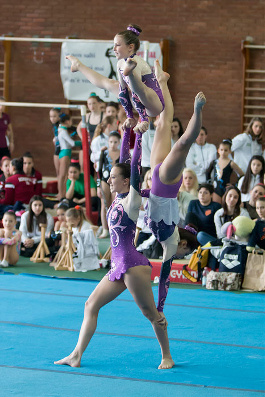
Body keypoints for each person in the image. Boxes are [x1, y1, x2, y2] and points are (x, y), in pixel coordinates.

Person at [54, 124, 174, 369]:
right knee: (90, 305)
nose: (109, 179)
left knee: (150, 314)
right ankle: (76, 355)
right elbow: (124, 160)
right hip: (118, 265)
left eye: (114, 177)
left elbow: (134, 166)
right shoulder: (118, 199)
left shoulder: (131, 200)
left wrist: (139, 135)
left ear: (126, 180)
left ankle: (166, 356)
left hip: (132, 265)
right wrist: (127, 132)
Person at [139, 61, 206, 313]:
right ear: (183, 245)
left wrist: (139, 192)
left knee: (163, 122)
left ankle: (163, 81)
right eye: (180, 254)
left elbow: (150, 201)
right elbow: (164, 278)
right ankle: (197, 111)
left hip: (155, 182)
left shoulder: (170, 239)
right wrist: (160, 307)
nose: (175, 256)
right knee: (183, 144)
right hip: (166, 183)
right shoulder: (170, 241)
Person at [115, 24, 164, 134]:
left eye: (117, 45)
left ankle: (130, 73)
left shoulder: (138, 61)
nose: (114, 49)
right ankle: (130, 73)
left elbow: (137, 92)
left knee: (136, 89)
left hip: (155, 102)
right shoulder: (119, 64)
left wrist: (144, 119)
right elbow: (122, 92)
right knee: (119, 89)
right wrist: (129, 116)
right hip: (140, 101)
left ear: (130, 47)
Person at [97, 131, 121, 238]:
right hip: (105, 179)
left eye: (115, 142)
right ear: (108, 142)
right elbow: (98, 171)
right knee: (104, 203)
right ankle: (105, 229)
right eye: (111, 142)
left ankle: (114, 228)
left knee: (114, 204)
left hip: (116, 180)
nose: (113, 144)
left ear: (119, 142)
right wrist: (98, 186)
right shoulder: (104, 153)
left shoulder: (122, 153)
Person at [206, 139, 244, 203]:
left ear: (230, 151)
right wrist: (210, 183)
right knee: (216, 207)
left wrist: (234, 185)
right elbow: (207, 173)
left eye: (226, 150)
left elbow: (242, 175)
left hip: (226, 189)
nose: (223, 152)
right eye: (221, 150)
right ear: (218, 150)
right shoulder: (214, 162)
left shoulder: (231, 163)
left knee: (225, 207)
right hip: (216, 190)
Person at [65, 206, 99, 272]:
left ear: (78, 219)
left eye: (71, 222)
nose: (69, 224)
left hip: (86, 247)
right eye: (67, 221)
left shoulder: (86, 226)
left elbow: (86, 241)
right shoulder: (74, 226)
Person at [57, 114, 82, 200]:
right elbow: (72, 143)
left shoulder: (61, 130)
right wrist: (83, 142)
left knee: (63, 175)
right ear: (67, 121)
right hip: (65, 152)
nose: (71, 123)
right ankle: (61, 194)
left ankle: (62, 193)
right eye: (71, 121)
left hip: (64, 152)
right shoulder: (63, 132)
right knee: (63, 175)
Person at [49, 107, 61, 177]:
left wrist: (57, 138)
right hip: (57, 148)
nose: (52, 118)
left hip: (62, 149)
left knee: (61, 172)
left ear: (59, 117)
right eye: (50, 116)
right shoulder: (54, 125)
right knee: (58, 172)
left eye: (54, 116)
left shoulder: (61, 124)